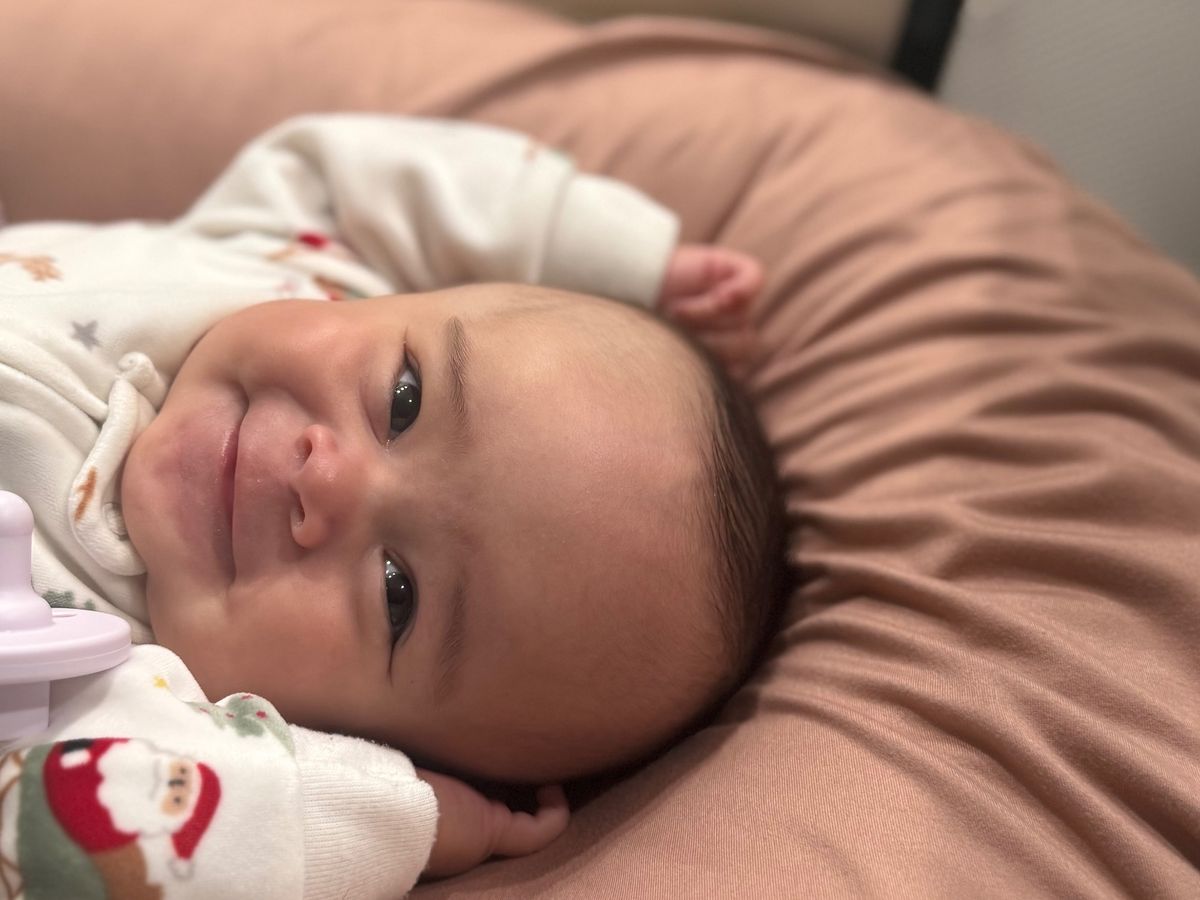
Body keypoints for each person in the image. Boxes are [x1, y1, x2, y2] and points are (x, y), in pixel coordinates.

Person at [0, 114, 785, 897]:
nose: (328, 481)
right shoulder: (299, 264)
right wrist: (617, 254)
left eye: (396, 594)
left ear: (341, 737)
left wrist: (390, 815)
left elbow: (107, 843)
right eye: (404, 401)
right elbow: (370, 179)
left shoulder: (104, 700)